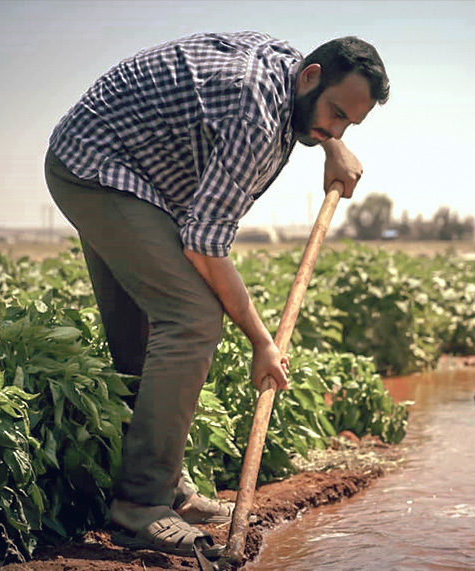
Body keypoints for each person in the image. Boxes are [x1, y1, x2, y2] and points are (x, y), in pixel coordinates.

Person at [43, 31, 389, 557]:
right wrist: (262, 342)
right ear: (312, 78)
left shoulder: (294, 75)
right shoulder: (254, 112)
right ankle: (139, 507)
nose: (334, 128)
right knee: (193, 319)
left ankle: (168, 490)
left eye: (349, 123)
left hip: (136, 176)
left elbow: (316, 109)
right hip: (98, 169)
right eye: (336, 114)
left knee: (143, 337)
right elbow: (204, 244)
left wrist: (332, 144)